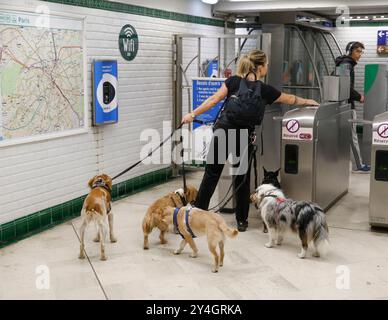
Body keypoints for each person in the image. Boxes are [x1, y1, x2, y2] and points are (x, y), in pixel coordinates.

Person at [181, 49, 319, 232]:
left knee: (211, 174)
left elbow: (214, 100)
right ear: (260, 67)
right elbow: (290, 99)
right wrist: (309, 101)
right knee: (241, 178)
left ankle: (197, 214)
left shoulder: (233, 82)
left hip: (223, 131)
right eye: (267, 64)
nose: (267, 67)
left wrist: (192, 114)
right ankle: (241, 220)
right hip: (243, 136)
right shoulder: (265, 90)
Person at [335, 41, 370, 173]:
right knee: (352, 136)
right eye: (357, 51)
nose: (359, 55)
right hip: (347, 106)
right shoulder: (346, 65)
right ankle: (358, 166)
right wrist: (359, 97)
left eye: (361, 52)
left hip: (342, 105)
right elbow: (345, 87)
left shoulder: (345, 64)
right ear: (350, 52)